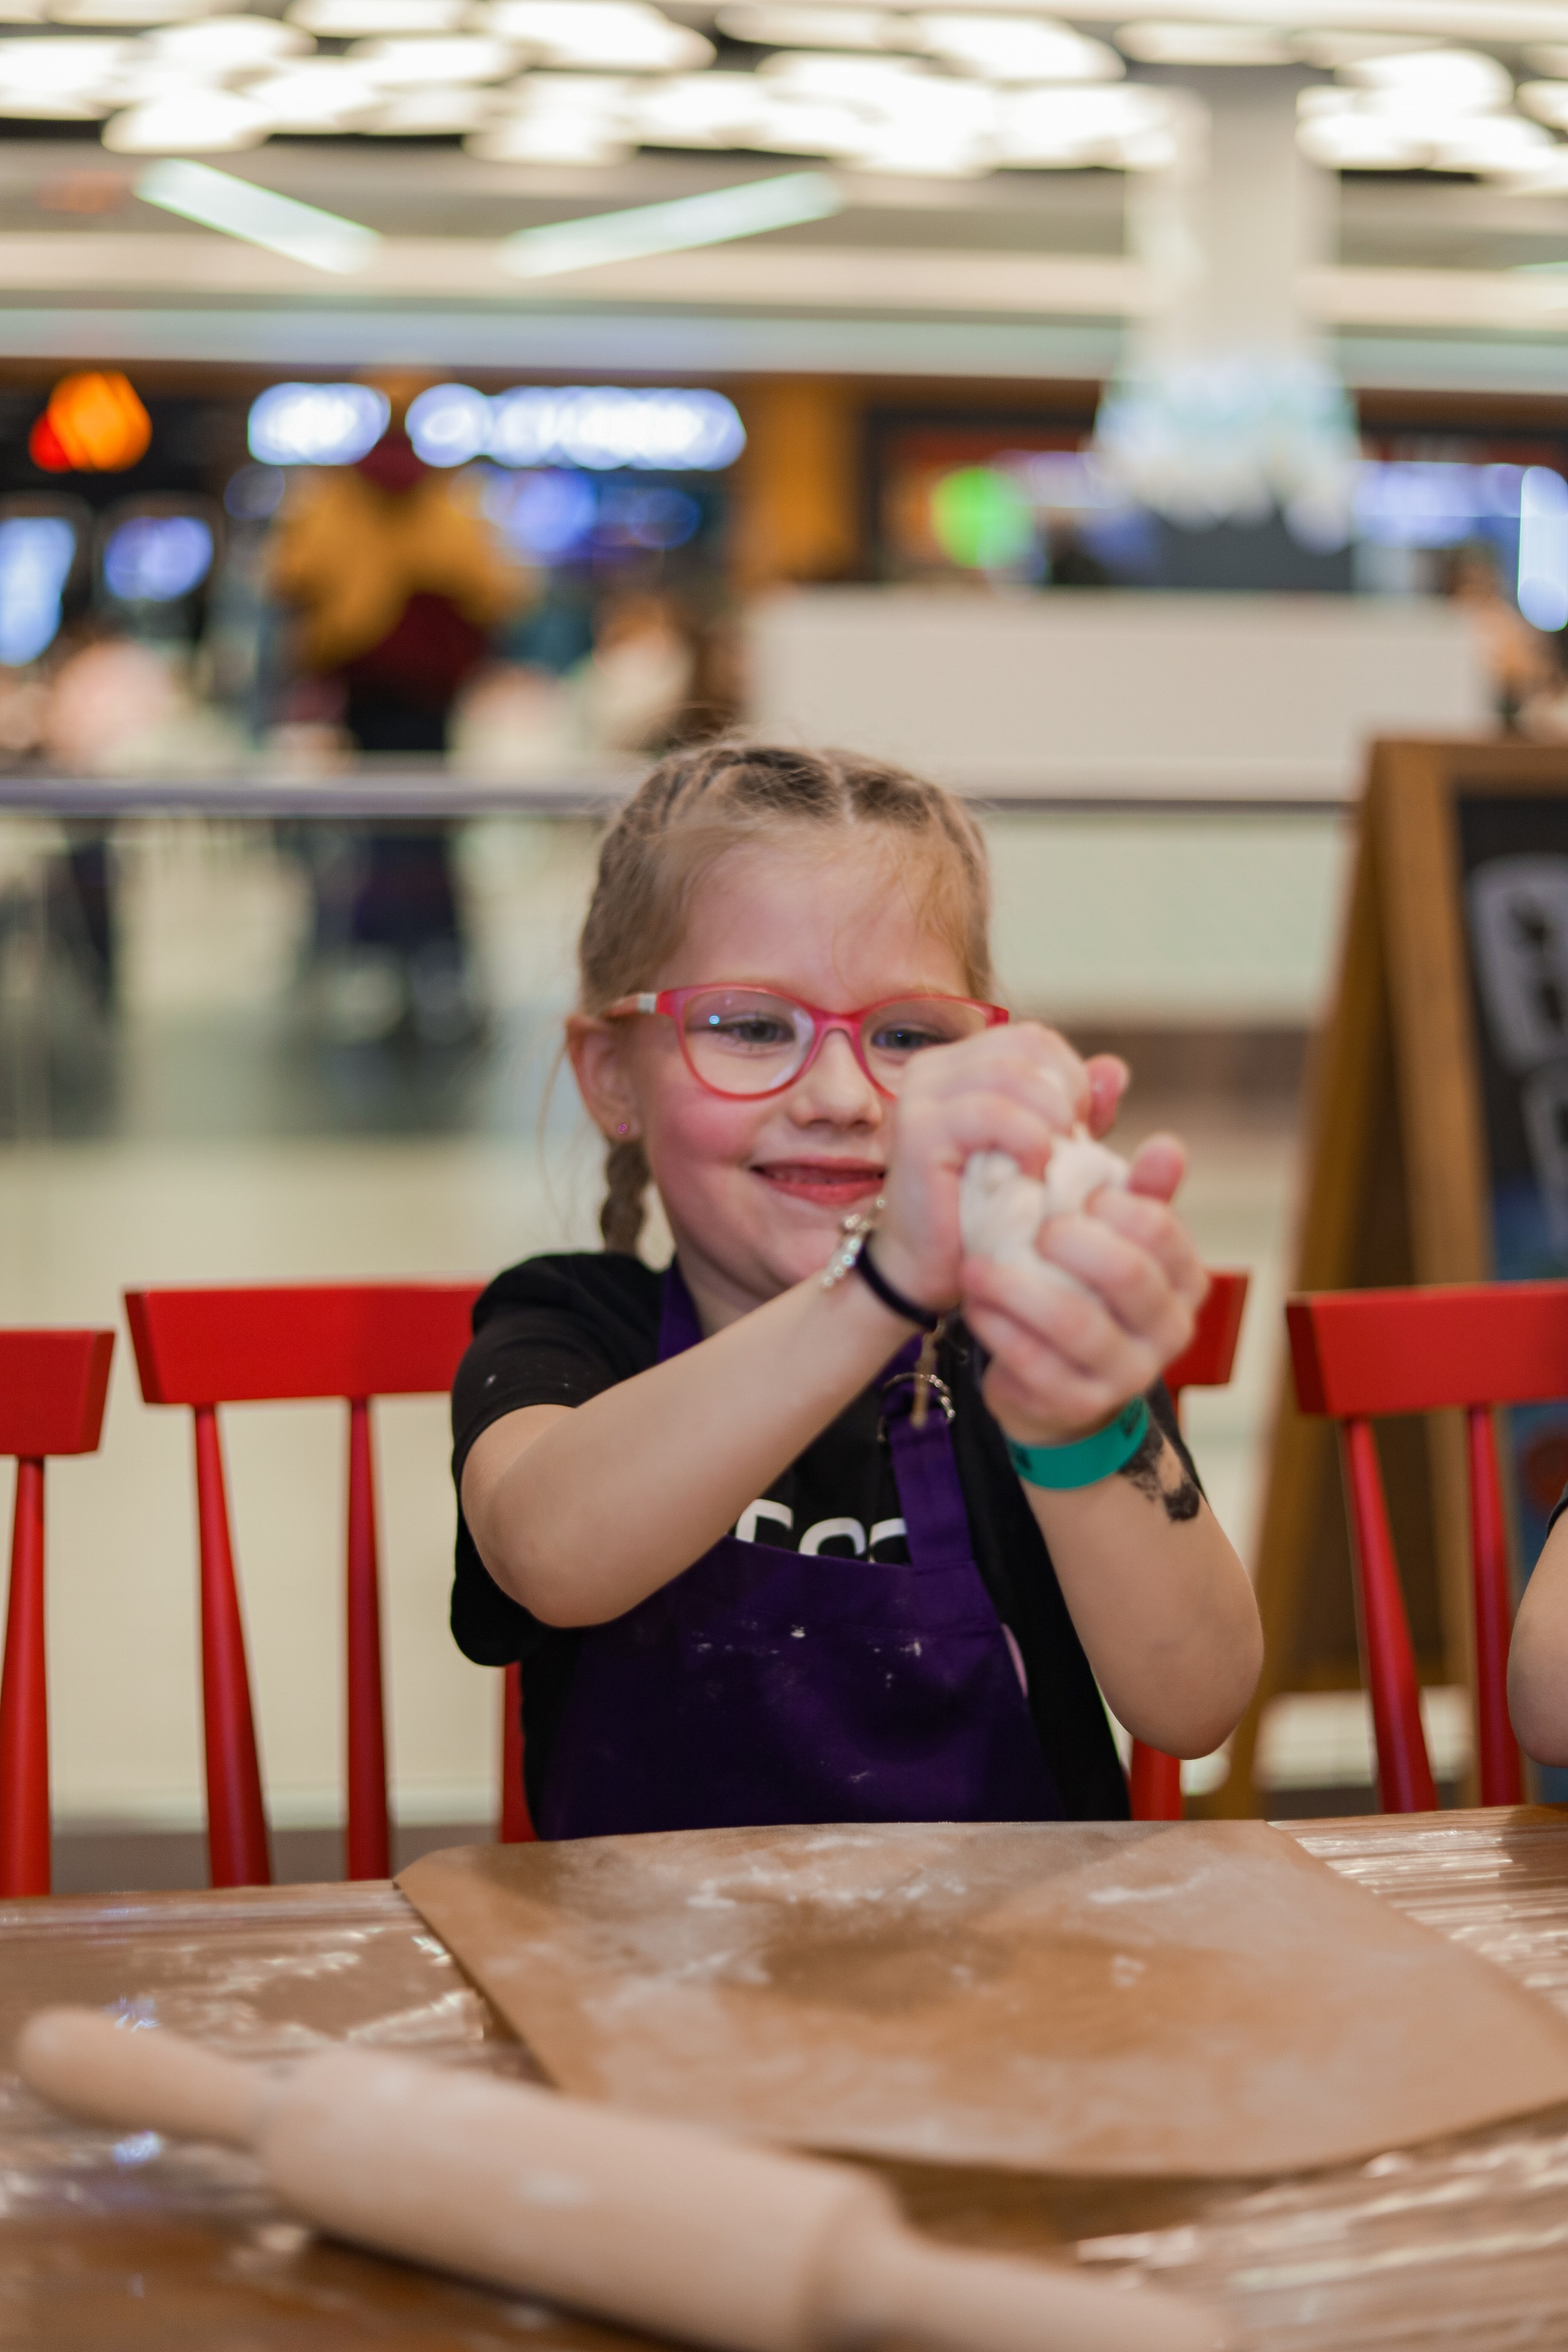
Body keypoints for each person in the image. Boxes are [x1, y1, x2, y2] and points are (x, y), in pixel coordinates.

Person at [452, 739, 1262, 1836]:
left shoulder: (1021, 1357)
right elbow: (547, 1552)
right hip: (643, 1995)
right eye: (748, 1026)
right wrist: (878, 1286)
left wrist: (1079, 1417)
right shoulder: (571, 1322)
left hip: (1013, 1985)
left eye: (907, 1035)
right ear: (611, 1078)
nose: (841, 1092)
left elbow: (1197, 1702)